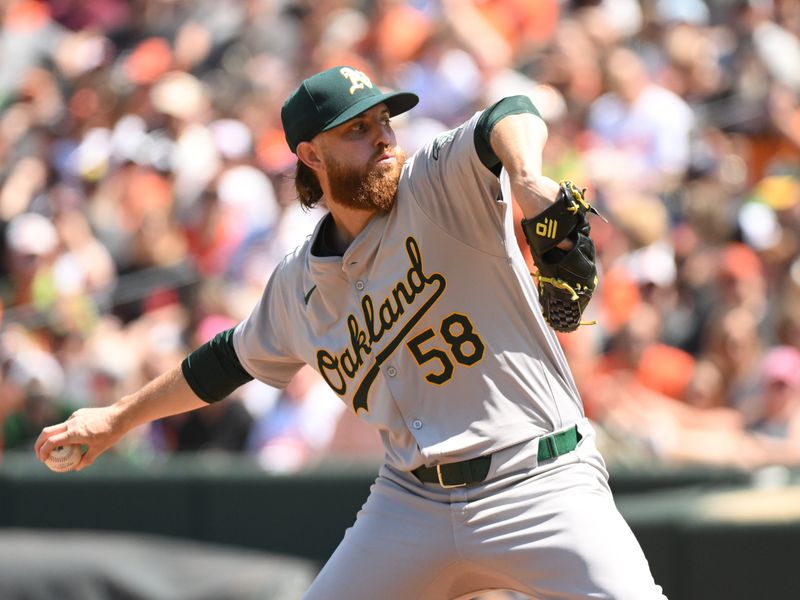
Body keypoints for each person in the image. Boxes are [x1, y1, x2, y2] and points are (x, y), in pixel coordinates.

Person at [36, 66, 666, 599]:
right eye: (358, 129)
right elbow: (223, 363)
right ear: (310, 155)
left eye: (385, 122)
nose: (383, 139)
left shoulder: (435, 185)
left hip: (539, 478)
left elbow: (510, 110)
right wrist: (117, 418)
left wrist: (527, 176)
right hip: (410, 503)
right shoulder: (297, 286)